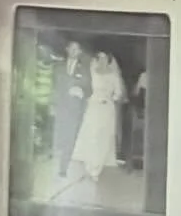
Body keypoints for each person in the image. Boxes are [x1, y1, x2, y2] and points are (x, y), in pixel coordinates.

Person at [71, 47, 126, 195]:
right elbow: (87, 86)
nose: (101, 60)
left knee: (103, 136)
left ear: (108, 60)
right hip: (93, 106)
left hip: (106, 108)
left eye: (104, 58)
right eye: (99, 57)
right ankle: (90, 165)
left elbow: (118, 93)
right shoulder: (93, 72)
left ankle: (96, 168)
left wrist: (109, 99)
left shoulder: (113, 75)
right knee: (91, 135)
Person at [49, 39, 90, 190]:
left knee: (69, 138)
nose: (73, 51)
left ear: (80, 52)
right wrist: (52, 104)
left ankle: (63, 170)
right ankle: (53, 166)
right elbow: (53, 86)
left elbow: (89, 89)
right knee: (57, 136)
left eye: (76, 49)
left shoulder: (84, 69)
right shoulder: (58, 66)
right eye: (71, 48)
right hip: (59, 106)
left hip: (74, 109)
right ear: (67, 49)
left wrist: (81, 92)